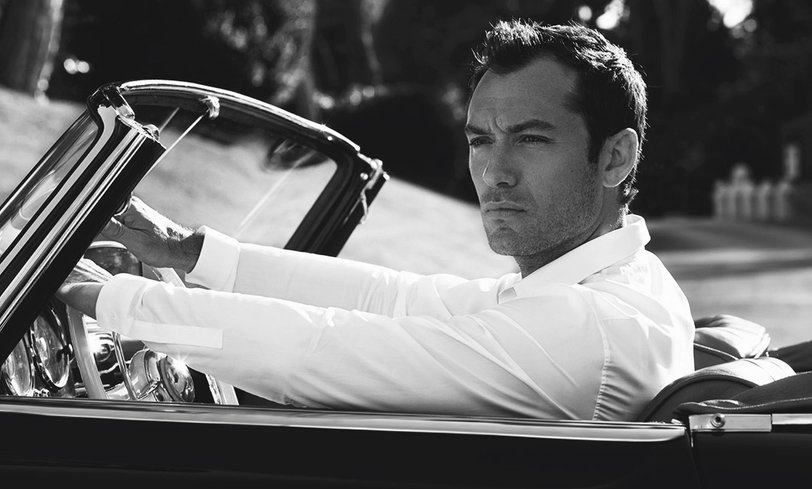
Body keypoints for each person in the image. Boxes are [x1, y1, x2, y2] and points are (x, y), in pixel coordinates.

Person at [57, 19, 695, 421]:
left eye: (531, 139)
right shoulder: (613, 286)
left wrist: (106, 300)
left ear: (615, 157)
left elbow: (319, 353)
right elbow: (396, 299)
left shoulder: (591, 328)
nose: (494, 172)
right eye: (480, 140)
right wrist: (189, 252)